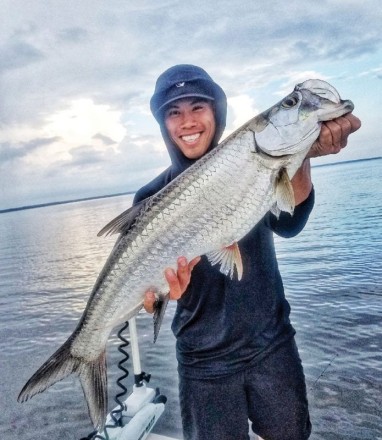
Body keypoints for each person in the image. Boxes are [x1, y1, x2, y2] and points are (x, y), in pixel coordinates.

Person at [134, 65, 361, 440]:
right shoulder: (148, 199)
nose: (187, 121)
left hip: (271, 343)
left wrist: (301, 153)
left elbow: (289, 223)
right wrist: (157, 297)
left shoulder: (249, 159)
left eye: (197, 107)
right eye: (174, 111)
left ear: (217, 112)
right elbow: (149, 296)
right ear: (163, 124)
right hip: (202, 361)